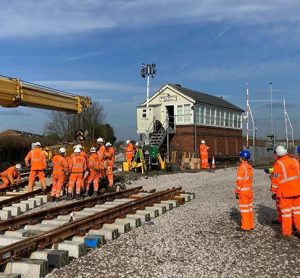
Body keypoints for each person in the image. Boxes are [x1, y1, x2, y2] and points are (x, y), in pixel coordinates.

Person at [271, 145, 300, 238]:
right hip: (298, 191)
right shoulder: (295, 161)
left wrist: (274, 192)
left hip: (286, 193)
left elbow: (275, 181)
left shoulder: (278, 164)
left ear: (278, 154)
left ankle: (286, 233)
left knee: (286, 213)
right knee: (297, 211)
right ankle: (298, 228)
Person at [235, 150, 254, 231]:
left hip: (243, 191)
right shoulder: (249, 167)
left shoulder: (241, 168)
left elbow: (239, 181)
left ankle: (245, 226)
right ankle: (250, 225)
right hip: (249, 191)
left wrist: (237, 191)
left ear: (242, 158)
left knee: (244, 209)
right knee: (249, 209)